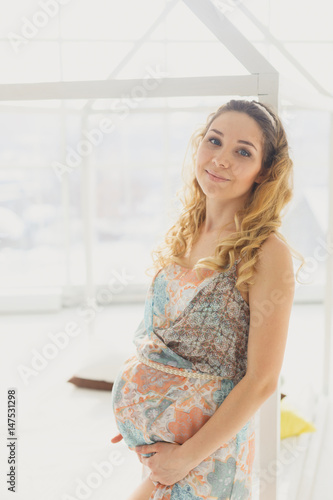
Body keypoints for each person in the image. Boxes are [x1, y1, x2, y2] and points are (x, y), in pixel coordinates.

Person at [110, 99, 304, 500]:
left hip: (208, 459)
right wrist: (146, 412)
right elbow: (159, 339)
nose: (221, 159)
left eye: (243, 151)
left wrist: (183, 457)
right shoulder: (186, 232)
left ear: (263, 171)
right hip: (164, 450)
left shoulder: (266, 251)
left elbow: (262, 381)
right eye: (214, 141)